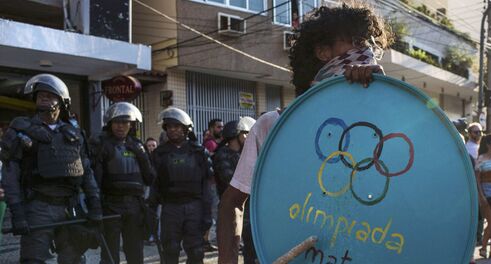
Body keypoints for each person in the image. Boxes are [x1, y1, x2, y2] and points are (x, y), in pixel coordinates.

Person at [217, 3, 392, 263]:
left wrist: (386, 98)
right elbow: (232, 202)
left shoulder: (381, 119)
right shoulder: (273, 126)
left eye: (366, 42)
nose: (364, 49)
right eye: (354, 41)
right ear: (322, 51)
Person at [0, 73, 102, 263]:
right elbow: (10, 175)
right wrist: (17, 212)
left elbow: (86, 172)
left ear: (62, 101)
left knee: (73, 259)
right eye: (40, 95)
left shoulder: (73, 134)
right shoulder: (22, 129)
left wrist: (94, 203)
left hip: (69, 206)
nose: (44, 98)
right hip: (38, 206)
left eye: (50, 95)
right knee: (33, 259)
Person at [88, 102, 156, 264]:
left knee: (135, 251)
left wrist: (142, 155)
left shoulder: (138, 145)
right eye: (117, 122)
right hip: (111, 205)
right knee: (110, 254)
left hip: (135, 206)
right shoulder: (102, 145)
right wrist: (95, 206)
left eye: (125, 122)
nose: (120, 126)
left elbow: (150, 178)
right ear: (110, 123)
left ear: (131, 125)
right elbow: (95, 180)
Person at [148, 107, 213, 264]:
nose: (172, 130)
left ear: (185, 129)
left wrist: (207, 213)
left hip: (194, 207)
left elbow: (206, 185)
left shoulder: (199, 152)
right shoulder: (160, 153)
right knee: (170, 250)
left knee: (196, 251)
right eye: (169, 127)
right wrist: (150, 210)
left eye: (176, 127)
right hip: (170, 208)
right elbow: (154, 185)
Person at [213, 116, 256, 263]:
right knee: (229, 249)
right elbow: (230, 179)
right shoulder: (221, 155)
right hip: (230, 208)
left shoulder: (246, 154)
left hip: (249, 207)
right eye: (245, 133)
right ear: (235, 135)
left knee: (252, 247)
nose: (247, 137)